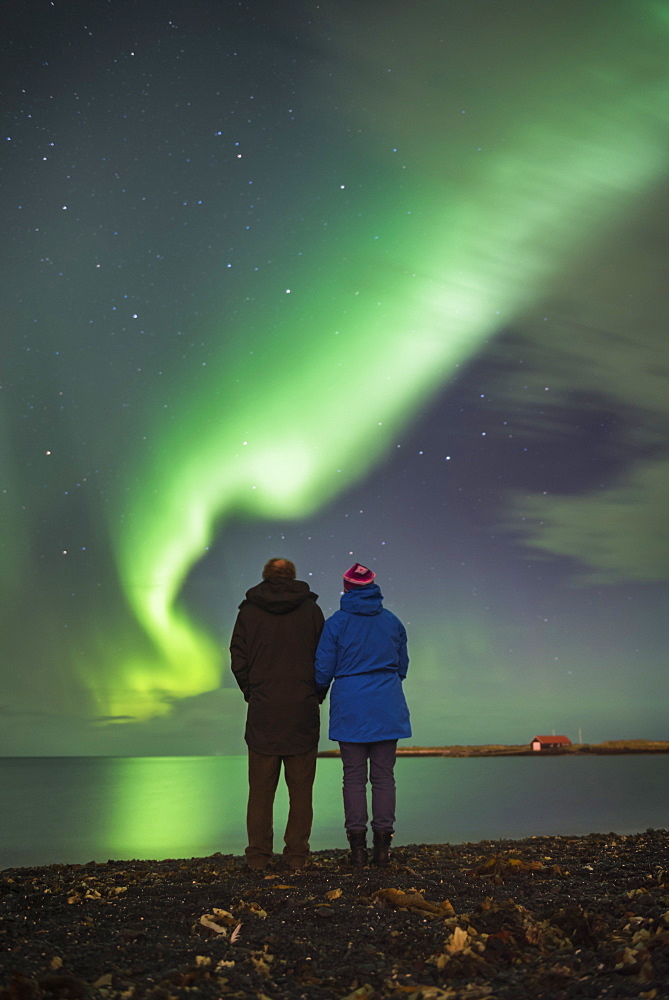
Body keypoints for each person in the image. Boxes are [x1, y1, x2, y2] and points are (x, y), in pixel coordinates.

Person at [230, 557, 324, 871]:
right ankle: (297, 856)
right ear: (293, 576)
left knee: (260, 790)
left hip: (264, 711)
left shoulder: (248, 611)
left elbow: (238, 658)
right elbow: (324, 658)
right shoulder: (310, 611)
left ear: (265, 575)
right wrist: (313, 692)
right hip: (301, 710)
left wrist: (253, 692)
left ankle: (258, 857)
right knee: (300, 792)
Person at [315, 562, 410, 866]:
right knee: (384, 778)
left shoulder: (336, 623)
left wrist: (321, 690)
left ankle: (357, 851)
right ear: (373, 586)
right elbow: (402, 666)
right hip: (386, 704)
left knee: (353, 778)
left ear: (346, 587)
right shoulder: (392, 622)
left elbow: (322, 669)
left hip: (350, 707)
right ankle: (383, 850)